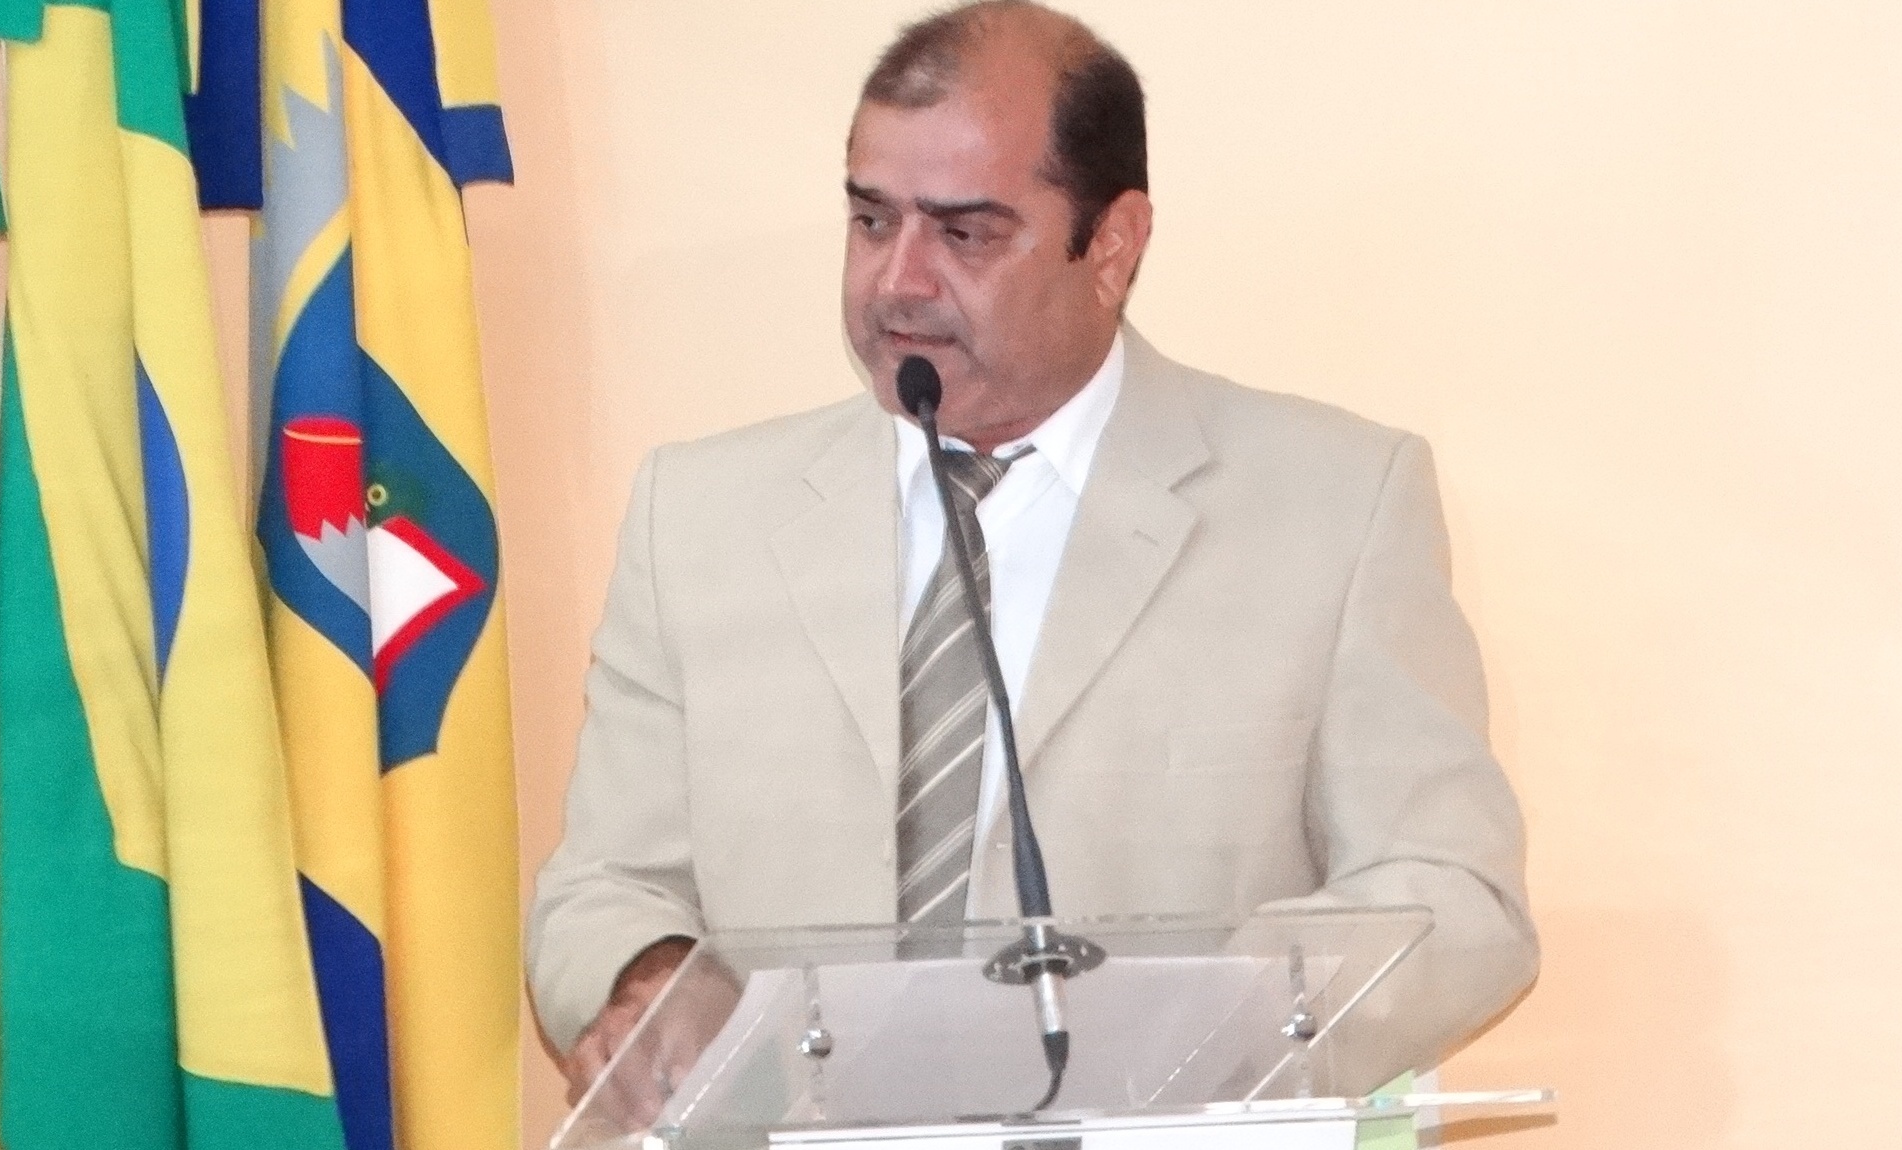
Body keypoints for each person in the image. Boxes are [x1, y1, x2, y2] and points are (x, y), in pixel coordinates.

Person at [528, 0, 1537, 1117]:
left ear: (1111, 246)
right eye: (871, 220)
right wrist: (653, 979)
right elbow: (602, 888)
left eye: (965, 234)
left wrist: (1209, 1019)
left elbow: (1456, 899)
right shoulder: (698, 517)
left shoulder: (1333, 507)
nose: (898, 280)